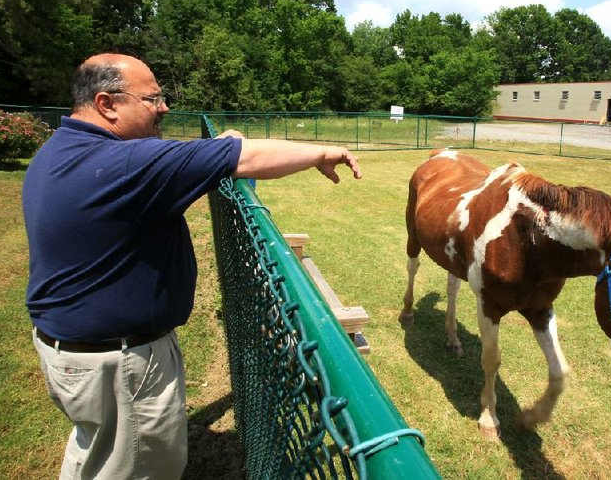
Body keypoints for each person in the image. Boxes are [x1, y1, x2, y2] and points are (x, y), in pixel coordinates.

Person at [22, 53, 362, 479]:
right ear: (107, 103)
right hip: (119, 365)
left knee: (99, 453)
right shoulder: (126, 165)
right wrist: (322, 151)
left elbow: (181, 161)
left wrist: (216, 148)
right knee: (141, 468)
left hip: (71, 349)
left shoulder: (65, 149)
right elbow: (246, 159)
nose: (164, 107)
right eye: (152, 98)